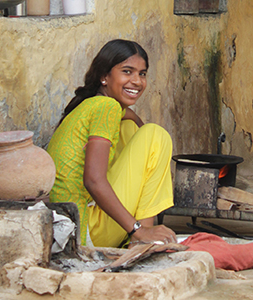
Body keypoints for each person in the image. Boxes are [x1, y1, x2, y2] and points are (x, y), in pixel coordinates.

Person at [47, 39, 177, 248]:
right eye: (127, 71)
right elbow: (93, 181)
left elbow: (130, 119)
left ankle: (140, 234)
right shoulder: (107, 108)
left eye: (142, 74)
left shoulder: (95, 105)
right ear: (104, 76)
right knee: (155, 134)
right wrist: (138, 229)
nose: (137, 81)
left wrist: (132, 118)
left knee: (133, 130)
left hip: (72, 228)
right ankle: (143, 235)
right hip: (87, 231)